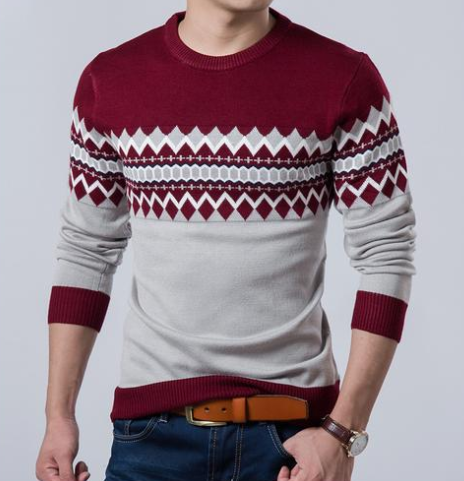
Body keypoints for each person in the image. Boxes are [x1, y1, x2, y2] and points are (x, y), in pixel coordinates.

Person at [35, 1, 417, 480]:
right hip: (150, 438)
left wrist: (343, 432)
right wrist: (58, 416)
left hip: (293, 443)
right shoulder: (110, 81)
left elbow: (387, 251)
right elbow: (86, 250)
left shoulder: (343, 78)